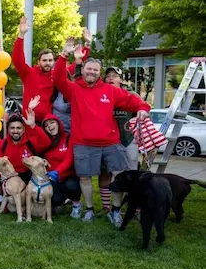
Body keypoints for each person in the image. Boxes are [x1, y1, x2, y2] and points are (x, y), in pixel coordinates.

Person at [53, 40, 151, 227]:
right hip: (83, 143)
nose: (91, 72)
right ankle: (89, 210)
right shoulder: (73, 89)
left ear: (99, 73)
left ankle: (115, 210)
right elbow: (58, 79)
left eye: (95, 70)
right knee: (84, 177)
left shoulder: (110, 90)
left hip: (111, 142)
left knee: (119, 175)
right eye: (88, 69)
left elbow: (131, 100)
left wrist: (143, 107)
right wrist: (63, 56)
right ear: (83, 70)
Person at [12, 17, 91, 123]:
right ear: (39, 61)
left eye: (50, 60)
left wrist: (87, 45)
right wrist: (21, 35)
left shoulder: (56, 75)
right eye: (44, 60)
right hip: (29, 119)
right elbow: (17, 60)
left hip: (48, 123)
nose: (47, 63)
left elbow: (76, 64)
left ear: (54, 61)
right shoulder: (29, 73)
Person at [96, 66, 140, 216]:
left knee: (132, 174)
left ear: (120, 79)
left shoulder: (130, 94)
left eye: (114, 76)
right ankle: (107, 206)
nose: (110, 78)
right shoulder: (100, 95)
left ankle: (134, 207)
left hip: (128, 140)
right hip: (106, 141)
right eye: (107, 76)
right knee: (105, 174)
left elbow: (141, 112)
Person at [0, 99, 51, 183]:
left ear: (24, 129)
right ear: (8, 130)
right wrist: (5, 177)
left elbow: (46, 143)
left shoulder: (30, 142)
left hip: (28, 176)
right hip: (9, 177)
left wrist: (33, 126)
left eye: (19, 128)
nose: (15, 131)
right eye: (12, 128)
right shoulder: (1, 145)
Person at [40, 114, 82, 218]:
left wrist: (56, 172)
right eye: (46, 125)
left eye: (52, 122)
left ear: (58, 123)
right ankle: (60, 201)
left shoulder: (68, 138)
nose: (49, 126)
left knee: (72, 186)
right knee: (54, 200)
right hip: (51, 179)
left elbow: (69, 160)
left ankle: (76, 205)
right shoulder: (45, 142)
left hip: (67, 176)